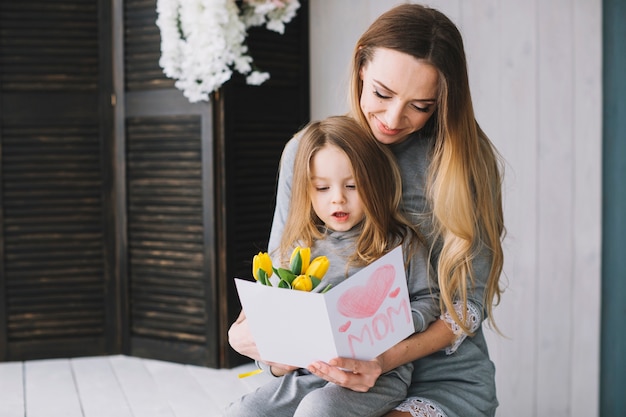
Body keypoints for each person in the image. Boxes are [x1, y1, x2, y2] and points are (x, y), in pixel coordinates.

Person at [229, 3, 505, 417]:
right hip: (327, 376)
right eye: (382, 93)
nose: (394, 119)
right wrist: (255, 342)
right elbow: (283, 273)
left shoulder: (464, 162)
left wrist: (380, 361)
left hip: (441, 377)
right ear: (360, 67)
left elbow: (466, 306)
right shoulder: (310, 152)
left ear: (443, 101)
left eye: (421, 105)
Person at [224, 116, 440, 417]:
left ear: (374, 184)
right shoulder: (299, 248)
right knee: (244, 411)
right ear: (306, 192)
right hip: (305, 372)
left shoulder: (398, 243)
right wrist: (275, 364)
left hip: (374, 375)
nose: (338, 198)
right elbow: (273, 329)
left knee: (318, 409)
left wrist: (393, 322)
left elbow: (429, 301)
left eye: (352, 185)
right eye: (322, 188)